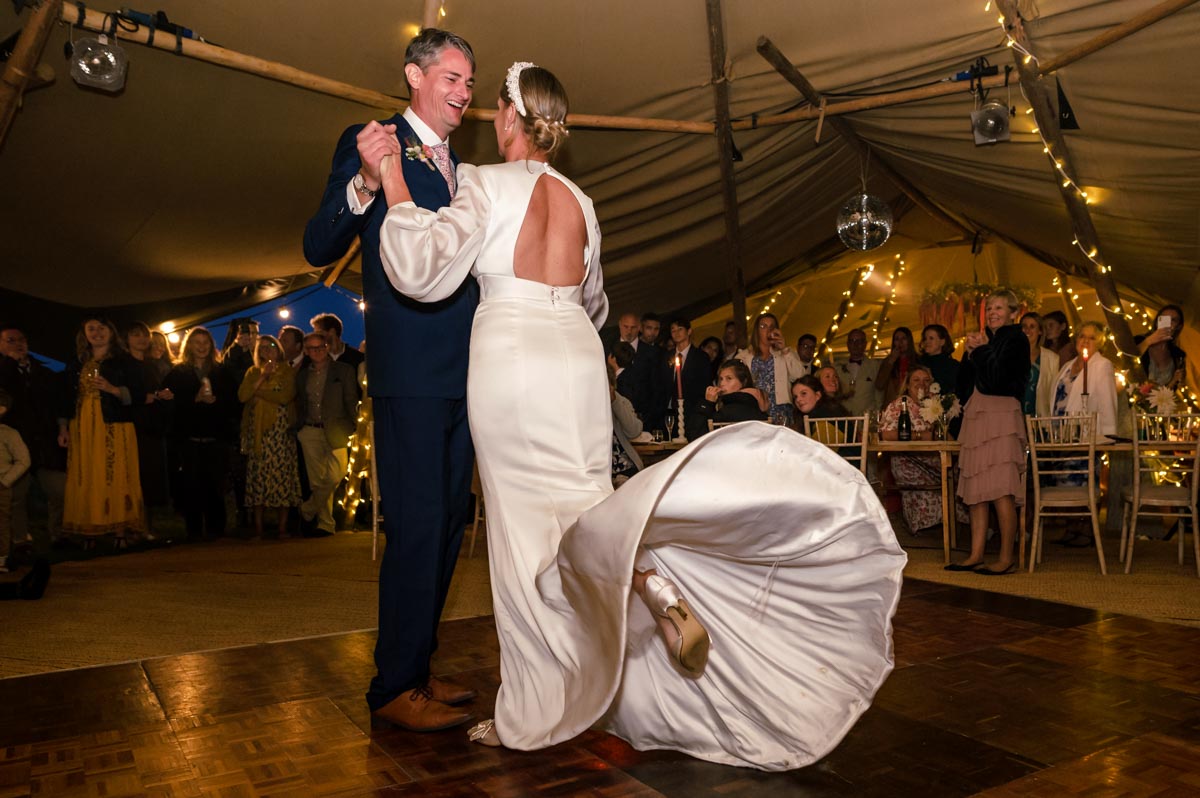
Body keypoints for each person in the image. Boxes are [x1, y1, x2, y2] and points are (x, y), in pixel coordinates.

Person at [377, 60, 904, 770]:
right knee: (588, 504)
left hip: (509, 357)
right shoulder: (581, 201)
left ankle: (534, 710)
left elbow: (422, 267)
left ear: (508, 116)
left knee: (523, 533)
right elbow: (593, 302)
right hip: (573, 359)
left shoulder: (481, 181)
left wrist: (394, 184)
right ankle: (646, 580)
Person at [303, 28, 480, 730]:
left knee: (447, 526)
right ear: (415, 74)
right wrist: (363, 183)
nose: (464, 94)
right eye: (453, 78)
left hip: (468, 371)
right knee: (415, 524)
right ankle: (391, 689)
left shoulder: (463, 164)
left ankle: (417, 667)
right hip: (410, 368)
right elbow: (318, 244)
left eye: (470, 83)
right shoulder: (371, 138)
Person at [946, 290, 1030, 576]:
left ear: (1012, 313)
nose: (993, 312)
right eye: (989, 308)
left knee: (1001, 490)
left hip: (1001, 417)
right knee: (977, 490)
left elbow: (999, 380)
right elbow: (964, 384)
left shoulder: (1016, 339)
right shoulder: (989, 339)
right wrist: (970, 355)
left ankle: (1006, 556)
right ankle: (976, 553)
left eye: (999, 308)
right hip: (979, 414)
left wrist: (981, 351)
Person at [60, 317, 146, 546]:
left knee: (114, 472)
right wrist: (63, 427)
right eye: (91, 329)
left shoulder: (123, 361)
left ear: (111, 331)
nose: (97, 333)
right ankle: (91, 529)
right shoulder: (76, 362)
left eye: (101, 328)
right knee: (88, 473)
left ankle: (119, 530)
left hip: (113, 423)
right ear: (84, 333)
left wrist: (113, 389)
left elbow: (139, 393)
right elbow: (64, 397)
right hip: (82, 425)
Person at [163, 327, 238, 541]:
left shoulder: (221, 372)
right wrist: (193, 400)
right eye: (197, 342)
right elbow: (169, 403)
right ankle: (193, 530)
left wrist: (217, 402)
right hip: (189, 439)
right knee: (191, 487)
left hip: (215, 439)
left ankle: (217, 529)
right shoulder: (178, 373)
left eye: (205, 342)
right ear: (189, 346)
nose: (202, 347)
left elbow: (234, 402)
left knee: (215, 486)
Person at [0, 324, 66, 554]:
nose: (18, 344)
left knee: (59, 490)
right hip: (15, 443)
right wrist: (9, 364)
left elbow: (56, 402)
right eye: (10, 340)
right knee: (16, 495)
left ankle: (58, 534)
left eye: (21, 339)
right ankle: (20, 540)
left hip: (44, 441)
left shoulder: (42, 371)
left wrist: (61, 428)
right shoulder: (3, 371)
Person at [293, 333, 359, 536]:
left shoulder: (344, 370)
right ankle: (325, 524)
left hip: (337, 429)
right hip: (310, 430)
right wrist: (299, 427)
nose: (317, 351)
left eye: (320, 347)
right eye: (312, 348)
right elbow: (299, 401)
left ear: (327, 346)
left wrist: (353, 425)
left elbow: (351, 399)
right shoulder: (303, 374)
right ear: (306, 351)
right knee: (317, 479)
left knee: (335, 474)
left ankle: (307, 509)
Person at [238, 336, 301, 539]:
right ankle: (259, 528)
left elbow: (285, 396)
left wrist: (260, 393)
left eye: (271, 346)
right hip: (258, 434)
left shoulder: (287, 371)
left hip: (281, 433)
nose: (267, 351)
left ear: (279, 349)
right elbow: (243, 396)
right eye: (262, 348)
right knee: (259, 479)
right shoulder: (253, 372)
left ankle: (282, 528)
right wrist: (262, 378)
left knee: (282, 478)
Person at [878, 366, 943, 533]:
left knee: (964, 468)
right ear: (907, 384)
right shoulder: (901, 405)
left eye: (926, 380)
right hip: (909, 460)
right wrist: (920, 437)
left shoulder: (933, 405)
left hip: (933, 460)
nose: (922, 384)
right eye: (916, 380)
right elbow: (886, 434)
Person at [124, 321, 174, 534]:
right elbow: (124, 395)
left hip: (152, 427)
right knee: (133, 477)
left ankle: (146, 527)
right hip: (131, 426)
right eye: (136, 335)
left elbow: (155, 392)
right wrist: (149, 397)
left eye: (144, 335)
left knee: (149, 478)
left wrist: (163, 395)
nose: (142, 339)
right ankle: (131, 527)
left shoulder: (151, 364)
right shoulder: (121, 365)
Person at [736, 313, 806, 426]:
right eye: (763, 326)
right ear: (756, 331)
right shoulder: (744, 356)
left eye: (771, 327)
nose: (768, 330)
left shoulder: (786, 353)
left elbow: (800, 377)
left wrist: (784, 350)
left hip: (781, 411)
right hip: (754, 411)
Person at [1052, 321, 1118, 439]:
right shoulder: (1067, 366)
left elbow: (1107, 403)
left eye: (1092, 338)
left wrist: (1108, 435)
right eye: (1082, 336)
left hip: (1085, 435)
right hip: (1059, 434)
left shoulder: (1102, 365)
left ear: (1099, 344)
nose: (1086, 341)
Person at [667, 318, 714, 440]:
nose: (676, 332)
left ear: (689, 331)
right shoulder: (665, 356)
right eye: (673, 330)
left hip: (691, 411)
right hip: (669, 412)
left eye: (680, 329)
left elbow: (704, 384)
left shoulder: (701, 357)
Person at [0, 389, 31, 573]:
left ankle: (2, 557)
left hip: (1, 485)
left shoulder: (8, 434)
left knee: (1, 522)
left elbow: (24, 459)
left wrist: (5, 481)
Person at [698, 359, 768, 423]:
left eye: (729, 378)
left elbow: (699, 432)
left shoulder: (727, 412)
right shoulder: (756, 406)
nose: (722, 383)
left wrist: (708, 403)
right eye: (721, 379)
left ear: (743, 382)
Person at [1135, 304, 1186, 389]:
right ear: (1157, 321)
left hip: (1158, 401)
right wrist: (1148, 341)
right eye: (1164, 318)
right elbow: (1127, 360)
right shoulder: (1138, 340)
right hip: (1130, 398)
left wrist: (1175, 380)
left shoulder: (1178, 355)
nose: (1168, 323)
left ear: (1178, 326)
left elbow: (1170, 392)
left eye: (1173, 320)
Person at [1019, 312, 1059, 417]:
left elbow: (1053, 392)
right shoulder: (1011, 355)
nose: (1027, 330)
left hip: (1040, 419)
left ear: (1040, 331)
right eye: (1024, 326)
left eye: (1032, 326)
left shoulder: (1052, 359)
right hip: (1014, 417)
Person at [835, 328, 882, 416]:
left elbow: (879, 395)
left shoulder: (875, 366)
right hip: (843, 417)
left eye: (859, 341)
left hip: (866, 418)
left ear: (865, 344)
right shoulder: (837, 367)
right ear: (848, 344)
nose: (855, 344)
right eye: (852, 341)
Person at [875, 327, 918, 408]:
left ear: (909, 341)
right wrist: (891, 361)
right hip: (892, 406)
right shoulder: (887, 361)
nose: (900, 342)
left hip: (914, 405)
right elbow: (879, 384)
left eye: (904, 338)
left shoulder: (918, 360)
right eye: (897, 339)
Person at [917, 324, 959, 397]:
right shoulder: (918, 363)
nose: (927, 342)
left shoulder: (952, 365)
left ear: (942, 342)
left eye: (931, 338)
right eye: (925, 338)